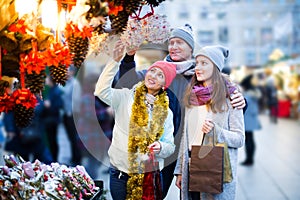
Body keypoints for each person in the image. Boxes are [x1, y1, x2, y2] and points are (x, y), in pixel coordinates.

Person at [115, 24, 247, 198]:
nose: (174, 47)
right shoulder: (159, 70)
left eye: (179, 43)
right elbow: (126, 82)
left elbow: (224, 97)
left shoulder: (199, 74)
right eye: (171, 43)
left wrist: (241, 101)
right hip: (160, 146)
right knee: (151, 193)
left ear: (191, 48)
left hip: (190, 149)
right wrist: (129, 58)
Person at [94, 40, 176, 200]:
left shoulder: (167, 112)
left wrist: (160, 146)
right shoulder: (125, 96)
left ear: (164, 85)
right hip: (119, 173)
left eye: (160, 75)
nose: (154, 76)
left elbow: (170, 146)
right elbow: (100, 91)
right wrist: (115, 61)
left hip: (147, 176)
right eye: (153, 71)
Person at [174, 45, 245, 200]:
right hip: (190, 167)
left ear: (216, 67)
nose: (198, 67)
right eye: (197, 63)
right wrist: (180, 170)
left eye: (204, 63)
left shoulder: (231, 98)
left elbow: (239, 139)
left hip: (215, 169)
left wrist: (216, 131)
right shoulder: (191, 97)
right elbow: (185, 138)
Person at [61, 66, 82, 166]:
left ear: (73, 72)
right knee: (70, 137)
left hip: (73, 115)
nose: (66, 73)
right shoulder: (65, 83)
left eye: (68, 71)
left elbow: (77, 100)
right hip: (66, 114)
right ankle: (74, 156)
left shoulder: (75, 83)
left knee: (74, 137)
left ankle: (77, 159)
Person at [240, 74, 262, 166]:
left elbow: (246, 108)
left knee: (248, 140)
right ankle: (250, 159)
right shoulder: (254, 93)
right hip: (251, 120)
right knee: (250, 139)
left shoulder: (248, 95)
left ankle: (249, 159)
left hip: (247, 120)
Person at [42, 75, 63, 162]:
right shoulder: (51, 90)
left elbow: (59, 105)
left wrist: (49, 105)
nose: (46, 80)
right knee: (51, 140)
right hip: (50, 120)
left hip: (52, 120)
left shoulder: (56, 91)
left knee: (52, 140)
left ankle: (54, 159)